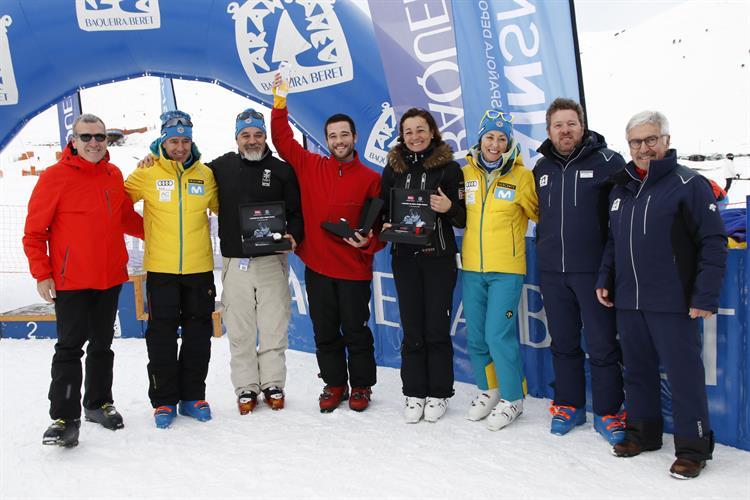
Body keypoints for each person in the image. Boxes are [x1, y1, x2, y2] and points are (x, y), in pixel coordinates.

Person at [596, 110, 727, 479]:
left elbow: (713, 242)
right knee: (637, 371)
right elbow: (613, 241)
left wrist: (704, 295)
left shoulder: (689, 184)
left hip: (674, 303)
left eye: (651, 139)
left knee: (684, 376)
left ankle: (693, 448)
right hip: (629, 299)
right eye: (636, 142)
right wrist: (606, 277)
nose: (643, 148)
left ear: (665, 141)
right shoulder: (621, 188)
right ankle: (643, 433)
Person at [23, 113, 143, 447]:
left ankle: (98, 403)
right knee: (69, 348)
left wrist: (160, 233)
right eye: (86, 137)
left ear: (107, 141)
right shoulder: (54, 177)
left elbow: (123, 218)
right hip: (71, 279)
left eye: (100, 137)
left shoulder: (113, 174)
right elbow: (34, 233)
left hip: (109, 277)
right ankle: (64, 417)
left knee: (102, 346)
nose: (93, 143)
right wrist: (42, 273)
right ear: (73, 141)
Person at [270, 73, 384, 413]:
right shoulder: (309, 165)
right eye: (332, 136)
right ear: (326, 140)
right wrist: (279, 99)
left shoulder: (371, 179)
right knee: (325, 331)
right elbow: (281, 138)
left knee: (356, 331)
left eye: (344, 135)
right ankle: (334, 384)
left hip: (353, 271)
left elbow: (380, 231)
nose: (338, 140)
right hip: (318, 267)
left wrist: (367, 243)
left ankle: (361, 386)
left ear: (354, 137)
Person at [533, 98, 627, 443]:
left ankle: (608, 411)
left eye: (571, 123)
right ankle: (569, 404)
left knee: (602, 344)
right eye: (558, 125)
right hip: (552, 272)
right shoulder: (541, 168)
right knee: (564, 342)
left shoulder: (608, 161)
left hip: (593, 273)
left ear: (582, 125)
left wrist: (610, 269)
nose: (565, 130)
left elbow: (620, 219)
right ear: (549, 131)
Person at [125, 110, 219, 429]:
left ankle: (193, 396)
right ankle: (164, 400)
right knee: (161, 337)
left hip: (199, 270)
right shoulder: (147, 173)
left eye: (185, 140)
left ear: (192, 141)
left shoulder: (205, 175)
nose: (180, 147)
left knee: (198, 335)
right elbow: (118, 204)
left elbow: (226, 208)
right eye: (174, 141)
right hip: (161, 272)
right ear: (163, 142)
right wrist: (145, 231)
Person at [209, 109, 303, 414]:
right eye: (245, 135)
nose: (252, 141)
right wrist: (152, 160)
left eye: (257, 135)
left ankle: (273, 383)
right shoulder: (220, 167)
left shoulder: (281, 170)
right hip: (236, 263)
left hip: (270, 261)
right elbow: (185, 171)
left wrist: (294, 236)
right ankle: (246, 386)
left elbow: (297, 214)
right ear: (236, 138)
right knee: (240, 328)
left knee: (274, 325)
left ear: (265, 137)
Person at [380, 108, 465, 423]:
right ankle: (414, 392)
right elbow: (383, 209)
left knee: (436, 328)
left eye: (421, 130)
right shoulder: (393, 169)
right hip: (404, 259)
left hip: (439, 259)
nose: (415, 136)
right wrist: (382, 223)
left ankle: (440, 393)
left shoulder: (450, 169)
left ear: (432, 132)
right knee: (412, 327)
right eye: (409, 131)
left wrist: (448, 207)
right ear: (402, 135)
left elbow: (463, 217)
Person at [462, 109, 538, 431]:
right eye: (490, 137)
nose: (495, 143)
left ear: (509, 143)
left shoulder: (522, 177)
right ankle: (488, 389)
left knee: (498, 334)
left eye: (502, 138)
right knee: (477, 336)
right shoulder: (465, 174)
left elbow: (541, 215)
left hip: (506, 269)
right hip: (471, 267)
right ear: (480, 139)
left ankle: (513, 397)